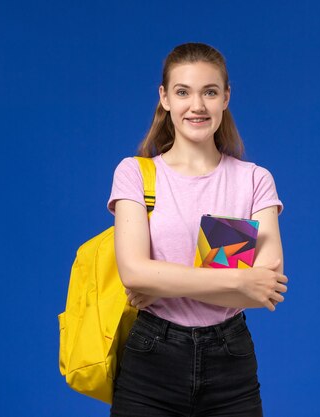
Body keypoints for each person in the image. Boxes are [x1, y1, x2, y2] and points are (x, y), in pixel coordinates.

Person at [107, 42, 287, 417]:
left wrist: (162, 282)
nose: (197, 106)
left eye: (210, 92)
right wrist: (238, 282)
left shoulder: (253, 180)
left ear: (226, 97)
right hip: (151, 358)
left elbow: (264, 290)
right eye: (183, 92)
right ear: (165, 98)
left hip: (231, 360)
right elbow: (133, 272)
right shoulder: (136, 174)